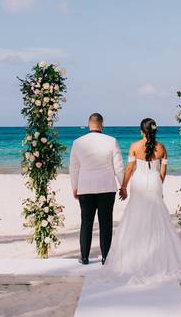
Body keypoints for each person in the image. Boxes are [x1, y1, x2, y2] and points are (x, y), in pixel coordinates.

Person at [96, 118, 181, 287]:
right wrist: (158, 187)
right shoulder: (162, 148)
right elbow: (163, 173)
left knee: (136, 217)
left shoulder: (134, 146)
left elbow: (130, 169)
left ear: (141, 130)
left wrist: (123, 186)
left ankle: (135, 257)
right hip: (154, 183)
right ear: (154, 130)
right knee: (157, 218)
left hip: (139, 184)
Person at [69, 112, 123, 265]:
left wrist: (75, 186)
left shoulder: (78, 142)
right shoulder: (111, 141)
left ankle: (84, 257)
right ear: (102, 125)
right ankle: (105, 256)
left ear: (88, 125)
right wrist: (122, 185)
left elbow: (74, 168)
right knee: (106, 222)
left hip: (85, 187)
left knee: (86, 221)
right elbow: (118, 166)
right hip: (106, 186)